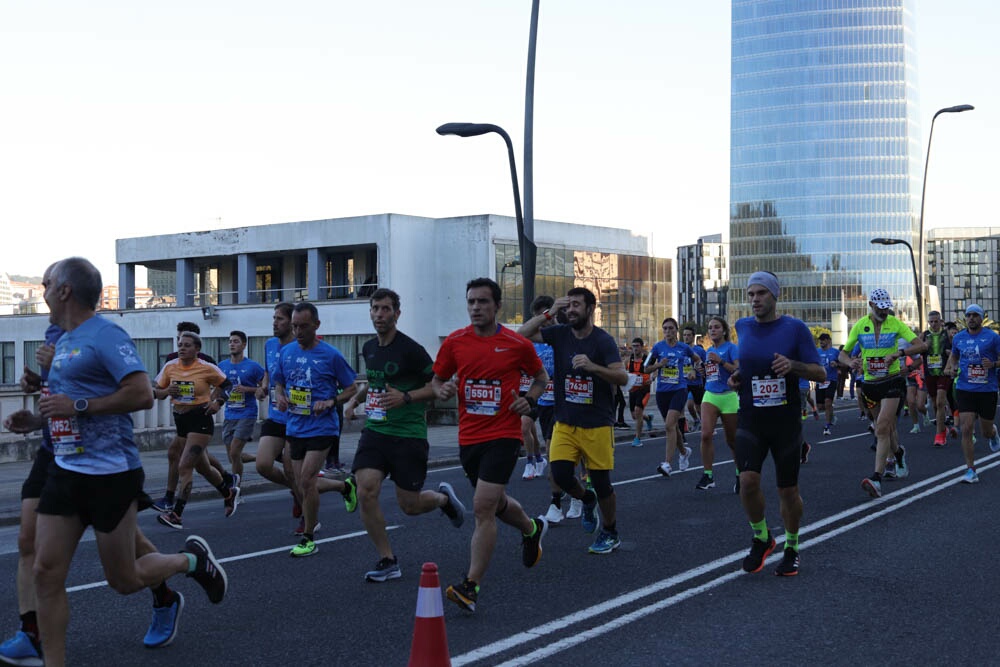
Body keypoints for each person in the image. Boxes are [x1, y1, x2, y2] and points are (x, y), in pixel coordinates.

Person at [3, 257, 227, 666]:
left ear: (65, 291)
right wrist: (38, 416)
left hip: (110, 474)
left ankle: (189, 561)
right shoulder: (61, 339)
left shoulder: (105, 334)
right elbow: (66, 400)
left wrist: (79, 405)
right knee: (45, 572)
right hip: (64, 468)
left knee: (123, 580)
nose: (43, 289)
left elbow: (141, 394)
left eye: (48, 283)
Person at [432, 278, 549, 613]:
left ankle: (470, 586)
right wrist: (440, 389)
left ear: (497, 306)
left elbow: (540, 379)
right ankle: (531, 528)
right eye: (471, 302)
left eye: (482, 302)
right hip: (470, 437)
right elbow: (438, 378)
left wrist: (529, 400)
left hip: (504, 434)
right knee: (495, 503)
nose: (475, 308)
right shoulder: (455, 342)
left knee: (482, 506)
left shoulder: (515, 343)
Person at [341, 288, 466, 581]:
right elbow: (374, 382)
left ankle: (443, 500)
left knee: (409, 505)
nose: (379, 314)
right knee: (366, 489)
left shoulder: (411, 350)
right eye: (375, 309)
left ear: (397, 313)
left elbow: (437, 387)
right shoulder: (370, 347)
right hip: (376, 430)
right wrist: (354, 401)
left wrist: (406, 397)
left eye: (386, 309)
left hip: (408, 434)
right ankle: (388, 559)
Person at [728, 271, 825, 577]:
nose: (755, 299)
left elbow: (820, 374)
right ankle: (762, 537)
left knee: (787, 491)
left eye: (761, 293)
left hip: (785, 421)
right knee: (747, 481)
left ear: (774, 295)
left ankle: (792, 546)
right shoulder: (742, 326)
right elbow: (749, 364)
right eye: (750, 294)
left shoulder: (795, 329)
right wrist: (739, 377)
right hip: (751, 417)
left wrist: (793, 365)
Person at [520, 287, 628, 555]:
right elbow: (520, 335)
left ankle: (610, 531)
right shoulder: (559, 334)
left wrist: (593, 367)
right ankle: (585, 498)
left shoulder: (603, 341)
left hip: (597, 423)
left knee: (602, 482)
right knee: (560, 474)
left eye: (576, 305)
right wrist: (550, 312)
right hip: (566, 421)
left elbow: (622, 377)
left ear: (591, 309)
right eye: (568, 306)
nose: (571, 310)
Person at [273, 302, 360, 557]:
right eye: (295, 326)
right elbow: (279, 381)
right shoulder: (286, 352)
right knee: (302, 484)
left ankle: (309, 537)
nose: (298, 331)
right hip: (295, 425)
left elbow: (351, 388)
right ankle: (345, 487)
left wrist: (331, 401)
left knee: (307, 479)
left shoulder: (330, 354)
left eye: (304, 326)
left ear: (317, 325)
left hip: (323, 427)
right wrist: (280, 396)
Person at [840, 288, 927, 499]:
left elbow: (921, 345)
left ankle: (876, 478)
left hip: (892, 382)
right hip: (870, 384)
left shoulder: (895, 324)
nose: (885, 311)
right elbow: (843, 353)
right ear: (871, 305)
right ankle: (898, 454)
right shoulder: (860, 326)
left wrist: (899, 353)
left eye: (887, 307)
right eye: (880, 307)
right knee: (885, 429)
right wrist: (850, 361)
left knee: (882, 427)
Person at [153, 332, 238, 528]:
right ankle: (228, 493)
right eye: (180, 345)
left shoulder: (206, 368)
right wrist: (166, 392)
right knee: (204, 468)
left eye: (187, 345)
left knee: (184, 466)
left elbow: (227, 385)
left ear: (197, 349)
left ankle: (176, 514)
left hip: (200, 419)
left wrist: (218, 401)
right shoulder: (170, 367)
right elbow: (156, 392)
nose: (182, 348)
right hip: (181, 420)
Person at [254, 303, 303, 532]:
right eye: (274, 318)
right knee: (262, 465)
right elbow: (268, 371)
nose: (275, 323)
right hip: (275, 415)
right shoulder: (269, 344)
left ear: (292, 323)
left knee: (291, 468)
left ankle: (308, 517)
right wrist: (263, 387)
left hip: (296, 418)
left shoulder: (301, 347)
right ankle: (295, 488)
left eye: (280, 319)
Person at [943, 304, 1000, 483]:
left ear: (981, 318)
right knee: (966, 428)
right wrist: (951, 367)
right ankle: (971, 470)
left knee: (985, 431)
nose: (971, 318)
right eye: (968, 315)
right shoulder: (959, 338)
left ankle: (993, 433)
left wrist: (994, 365)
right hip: (965, 388)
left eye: (975, 315)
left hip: (987, 389)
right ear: (965, 318)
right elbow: (954, 356)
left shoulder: (992, 337)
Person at [645, 318, 701, 477]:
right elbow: (646, 368)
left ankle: (667, 464)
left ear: (676, 330)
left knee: (670, 424)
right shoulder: (657, 347)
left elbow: (697, 360)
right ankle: (684, 452)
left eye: (670, 328)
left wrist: (693, 371)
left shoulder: (684, 348)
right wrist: (658, 365)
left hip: (679, 389)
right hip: (663, 392)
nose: (667, 332)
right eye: (665, 329)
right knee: (673, 427)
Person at [217, 330, 266, 490]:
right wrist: (208, 401)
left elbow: (263, 387)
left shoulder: (252, 366)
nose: (232, 344)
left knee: (235, 452)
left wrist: (250, 389)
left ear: (244, 345)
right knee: (233, 456)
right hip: (229, 413)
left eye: (236, 341)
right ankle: (260, 458)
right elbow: (218, 389)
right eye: (230, 341)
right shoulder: (222, 366)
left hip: (247, 414)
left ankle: (236, 489)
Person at [696, 317, 739, 492]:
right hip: (710, 394)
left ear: (724, 331)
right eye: (710, 328)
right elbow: (712, 374)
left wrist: (721, 361)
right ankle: (708, 475)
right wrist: (701, 371)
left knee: (732, 440)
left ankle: (739, 473)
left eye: (716, 327)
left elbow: (738, 370)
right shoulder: (708, 351)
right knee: (705, 434)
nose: (713, 330)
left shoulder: (731, 348)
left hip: (729, 396)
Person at [922, 310, 954, 446]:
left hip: (943, 373)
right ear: (928, 322)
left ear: (941, 321)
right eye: (931, 322)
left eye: (936, 321)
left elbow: (954, 351)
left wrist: (950, 354)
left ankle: (939, 435)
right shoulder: (924, 336)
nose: (934, 324)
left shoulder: (946, 335)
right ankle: (943, 428)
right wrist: (924, 347)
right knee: (935, 404)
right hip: (930, 373)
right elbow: (916, 350)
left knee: (941, 402)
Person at [625, 337, 653, 447]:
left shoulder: (647, 359)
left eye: (637, 346)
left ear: (642, 347)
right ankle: (648, 418)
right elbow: (622, 371)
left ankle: (637, 438)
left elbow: (655, 370)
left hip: (644, 389)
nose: (635, 348)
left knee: (638, 410)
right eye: (633, 346)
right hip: (633, 390)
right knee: (634, 415)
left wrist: (652, 378)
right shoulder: (628, 360)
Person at [681, 325, 707, 431]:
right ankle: (694, 421)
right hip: (684, 382)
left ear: (693, 336)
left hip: (697, 383)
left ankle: (705, 424)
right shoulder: (680, 349)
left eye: (688, 335)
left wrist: (699, 371)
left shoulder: (699, 350)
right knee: (685, 405)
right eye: (684, 335)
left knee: (698, 406)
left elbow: (705, 364)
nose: (686, 337)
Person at [815, 333, 840, 436]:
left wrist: (837, 364)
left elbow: (843, 364)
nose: (821, 342)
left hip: (831, 380)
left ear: (829, 340)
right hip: (820, 381)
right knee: (820, 406)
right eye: (820, 340)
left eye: (823, 340)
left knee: (828, 402)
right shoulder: (816, 351)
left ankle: (827, 426)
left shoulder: (835, 352)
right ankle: (831, 414)